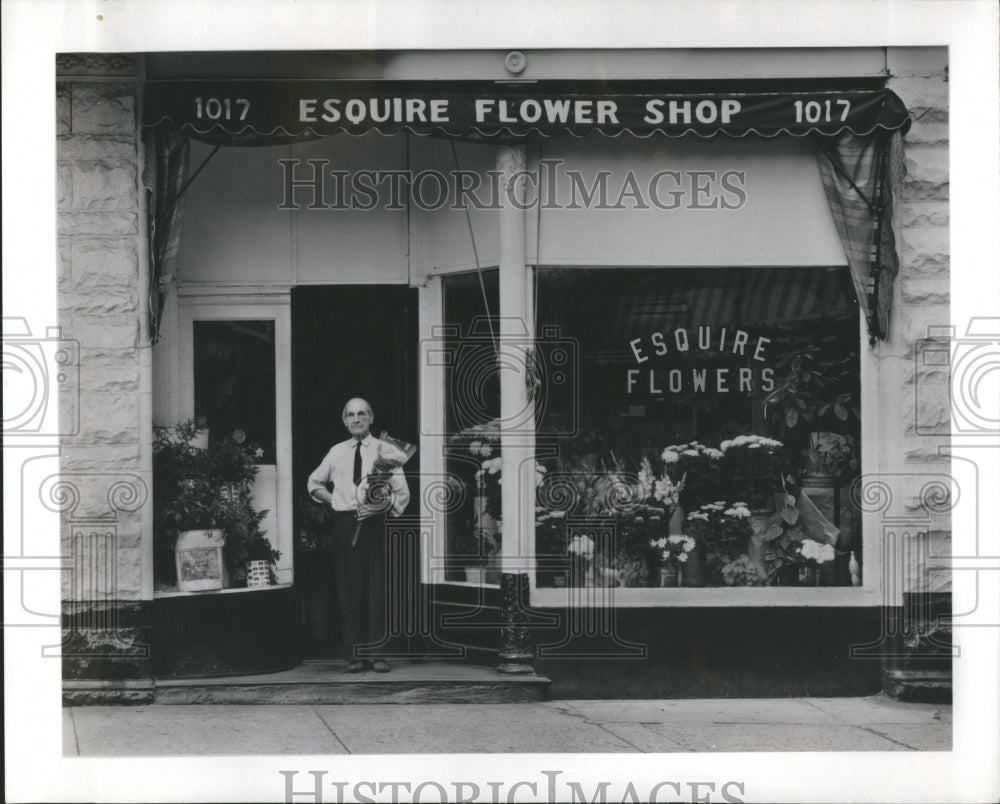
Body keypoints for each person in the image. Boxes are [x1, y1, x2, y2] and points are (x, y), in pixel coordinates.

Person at [307, 398, 410, 673]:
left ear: (371, 417)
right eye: (350, 415)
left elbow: (402, 494)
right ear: (344, 421)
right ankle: (354, 657)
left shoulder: (386, 450)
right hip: (345, 525)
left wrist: (378, 506)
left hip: (375, 526)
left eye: (361, 414)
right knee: (349, 591)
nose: (356, 419)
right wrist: (336, 501)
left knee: (376, 590)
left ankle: (377, 655)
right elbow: (313, 483)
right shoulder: (337, 451)